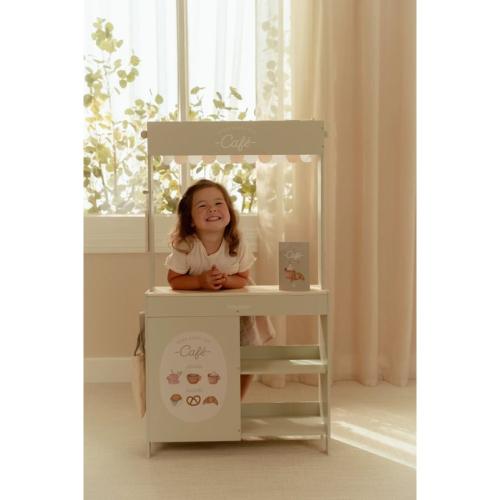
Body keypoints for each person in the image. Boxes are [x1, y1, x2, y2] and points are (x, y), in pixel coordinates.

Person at [165, 179, 273, 399]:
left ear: (229, 212)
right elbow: (174, 280)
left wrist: (225, 280)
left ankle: (237, 399)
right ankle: (206, 396)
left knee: (247, 351)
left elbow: (243, 278)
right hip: (200, 310)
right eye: (202, 205)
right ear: (190, 219)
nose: (212, 209)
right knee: (206, 354)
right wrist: (200, 281)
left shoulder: (236, 243)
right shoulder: (186, 245)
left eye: (218, 203)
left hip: (236, 309)